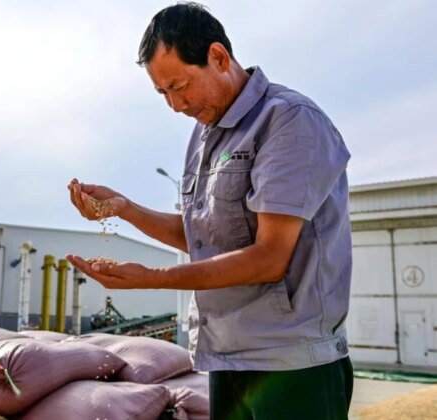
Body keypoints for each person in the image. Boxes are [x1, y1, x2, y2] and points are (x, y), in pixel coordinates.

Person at [66, 3, 353, 419]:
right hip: (229, 358)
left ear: (218, 57)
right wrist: (123, 209)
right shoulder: (205, 136)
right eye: (163, 92)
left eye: (180, 85)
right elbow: (201, 236)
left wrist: (152, 279)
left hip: (293, 365)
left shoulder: (289, 120)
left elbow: (270, 258)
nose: (176, 105)